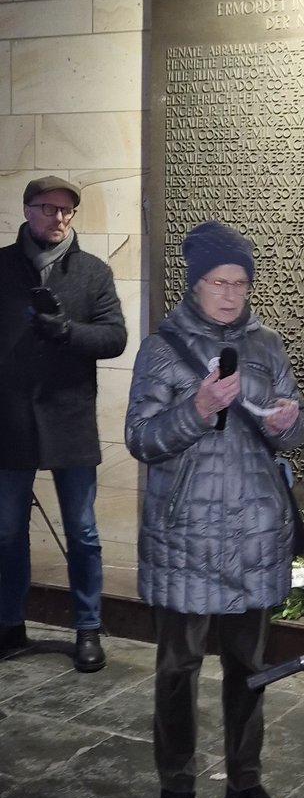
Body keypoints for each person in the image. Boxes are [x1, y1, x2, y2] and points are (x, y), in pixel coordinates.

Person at [125, 219, 304, 798]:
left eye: (239, 282)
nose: (230, 294)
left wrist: (286, 422)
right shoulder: (162, 348)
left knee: (250, 668)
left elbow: (292, 434)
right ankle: (176, 788)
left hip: (253, 536)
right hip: (186, 541)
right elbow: (140, 439)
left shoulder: (269, 346)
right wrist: (196, 410)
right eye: (217, 282)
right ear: (193, 283)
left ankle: (244, 782)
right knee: (177, 669)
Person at [0, 175, 127, 671]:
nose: (59, 218)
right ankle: (10, 623)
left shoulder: (93, 272)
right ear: (27, 210)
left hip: (70, 418)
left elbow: (115, 337)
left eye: (67, 210)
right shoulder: (1, 267)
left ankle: (88, 628)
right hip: (9, 421)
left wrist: (68, 333)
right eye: (49, 208)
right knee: (7, 532)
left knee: (83, 530)